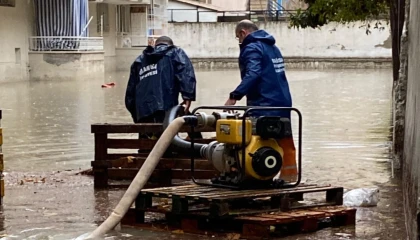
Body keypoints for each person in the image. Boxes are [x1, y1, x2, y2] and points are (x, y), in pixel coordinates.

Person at [225, 20, 297, 182]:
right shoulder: (273, 48)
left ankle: (256, 179)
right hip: (283, 102)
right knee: (285, 141)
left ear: (243, 33)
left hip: (264, 104)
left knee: (256, 142)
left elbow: (253, 74)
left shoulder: (252, 48)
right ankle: (291, 181)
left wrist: (234, 96)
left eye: (238, 37)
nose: (239, 42)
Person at [125, 36, 200, 143]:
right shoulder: (175, 52)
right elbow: (185, 73)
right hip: (166, 109)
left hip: (143, 113)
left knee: (146, 148)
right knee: (167, 145)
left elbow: (130, 96)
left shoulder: (139, 61)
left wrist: (136, 116)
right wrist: (188, 97)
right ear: (170, 44)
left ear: (156, 45)